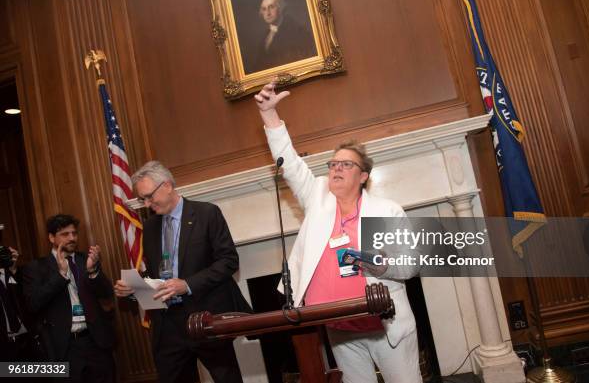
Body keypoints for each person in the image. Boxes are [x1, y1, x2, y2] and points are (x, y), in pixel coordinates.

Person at [254, 83, 422, 383]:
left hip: (387, 327)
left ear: (364, 176)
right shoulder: (316, 197)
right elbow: (290, 163)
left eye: (347, 164)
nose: (336, 169)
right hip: (339, 329)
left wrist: (382, 264)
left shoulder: (387, 210)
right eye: (333, 163)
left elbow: (411, 265)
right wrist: (269, 114)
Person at [113, 161, 251, 383]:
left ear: (167, 185)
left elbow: (228, 261)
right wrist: (135, 288)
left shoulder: (207, 213)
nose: (147, 204)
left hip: (204, 317)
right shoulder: (150, 228)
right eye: (143, 199)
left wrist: (186, 284)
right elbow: (154, 272)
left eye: (149, 197)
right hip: (168, 325)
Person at [22, 214, 116, 383]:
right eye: (65, 234)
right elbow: (33, 304)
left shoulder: (84, 260)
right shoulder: (36, 268)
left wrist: (93, 271)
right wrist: (61, 275)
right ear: (51, 238)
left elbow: (106, 293)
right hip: (64, 348)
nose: (72, 238)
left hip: (95, 341)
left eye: (74, 233)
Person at [247, 0, 317, 74]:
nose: (267, 13)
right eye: (264, 9)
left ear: (281, 8)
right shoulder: (266, 35)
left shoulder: (296, 31)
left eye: (271, 7)